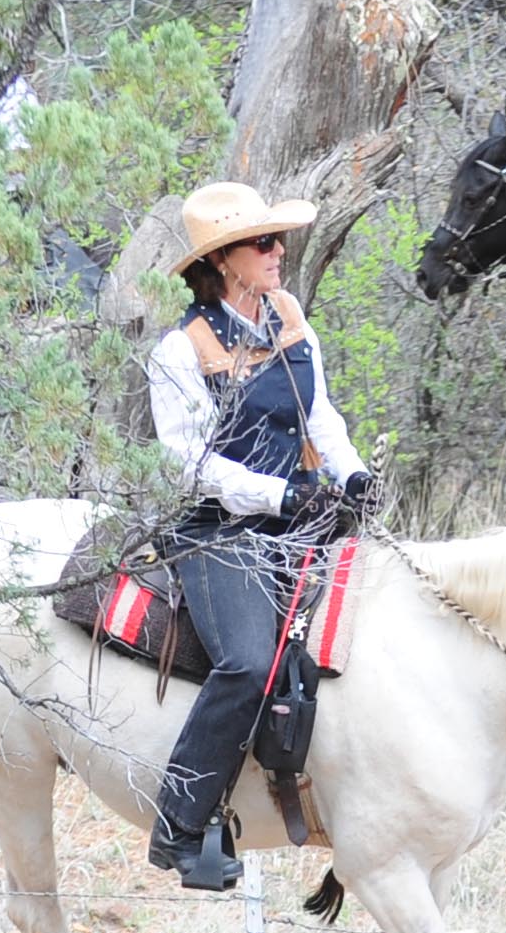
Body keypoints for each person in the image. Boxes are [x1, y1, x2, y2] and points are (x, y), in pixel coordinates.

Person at [143, 179, 374, 889]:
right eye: (263, 242)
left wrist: (351, 472)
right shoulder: (178, 353)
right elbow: (190, 467)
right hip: (219, 534)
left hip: (301, 518)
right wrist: (282, 492)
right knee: (247, 662)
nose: (280, 252)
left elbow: (321, 415)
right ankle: (180, 826)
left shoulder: (289, 314)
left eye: (279, 239)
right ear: (222, 262)